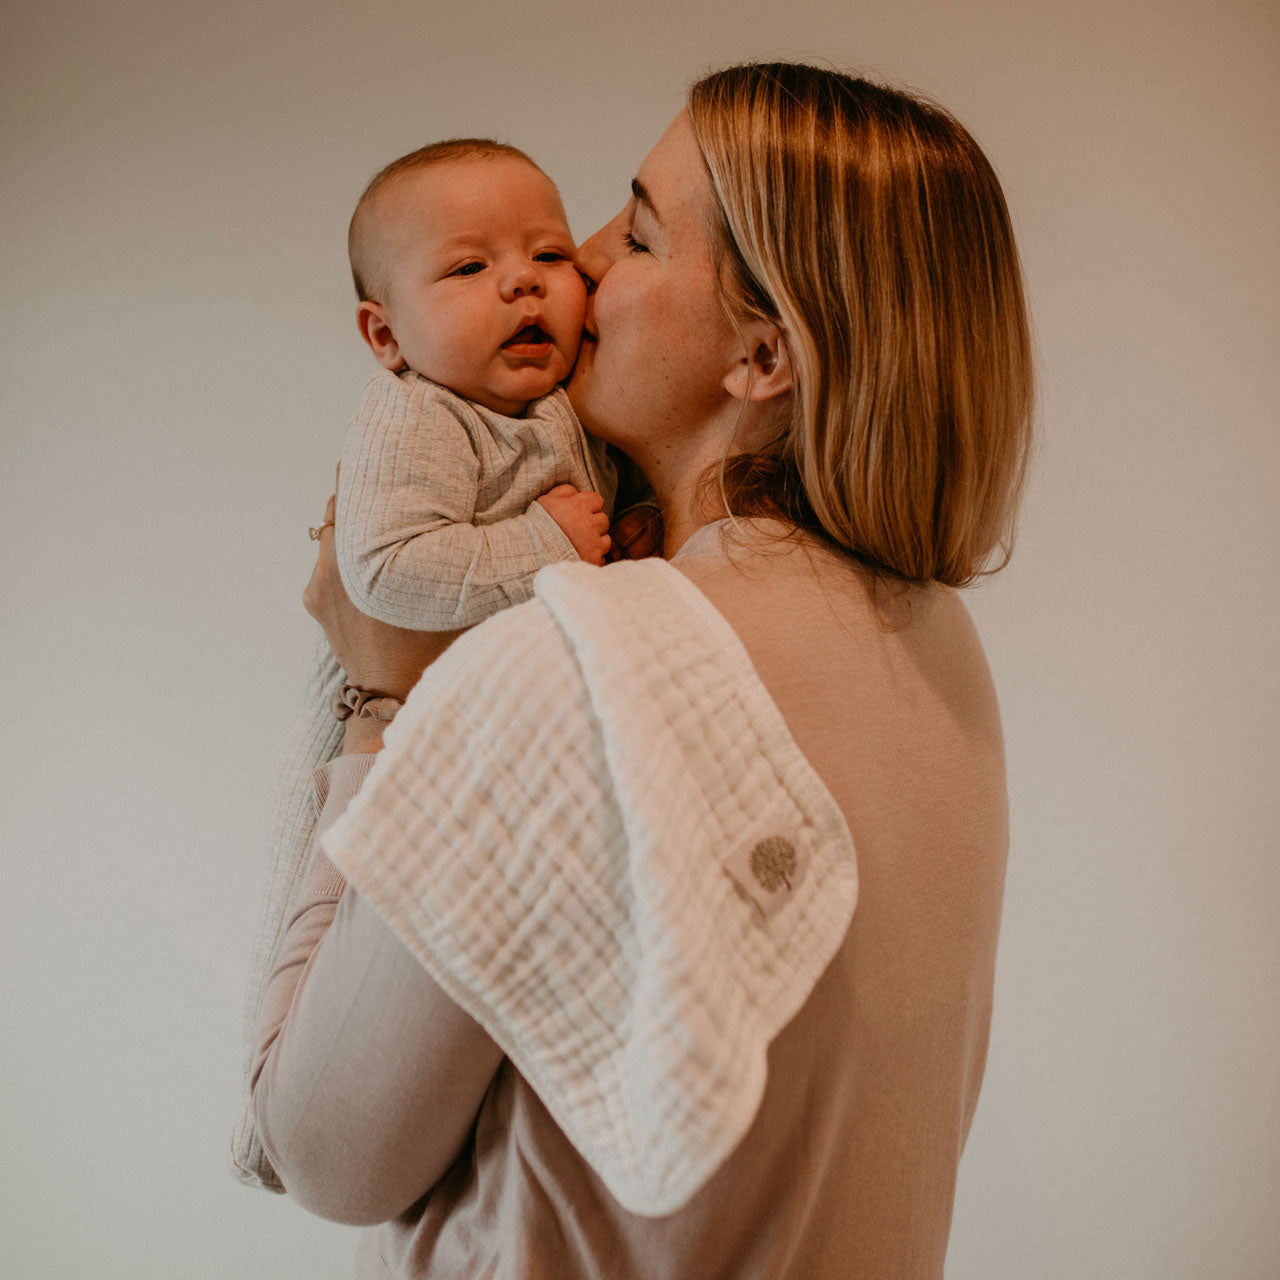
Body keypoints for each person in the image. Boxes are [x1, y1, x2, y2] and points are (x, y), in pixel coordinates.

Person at [247, 61, 1033, 1277]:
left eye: (642, 228)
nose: (585, 260)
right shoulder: (934, 641)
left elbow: (323, 1148)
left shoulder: (571, 667)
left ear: (761, 357)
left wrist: (380, 696)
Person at [232, 139, 621, 1190]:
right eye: (467, 268)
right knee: (329, 906)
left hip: (466, 715)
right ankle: (273, 1114)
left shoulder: (543, 411)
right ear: (383, 335)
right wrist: (546, 544)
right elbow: (382, 569)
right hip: (379, 701)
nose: (523, 280)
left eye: (548, 252)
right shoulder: (415, 412)